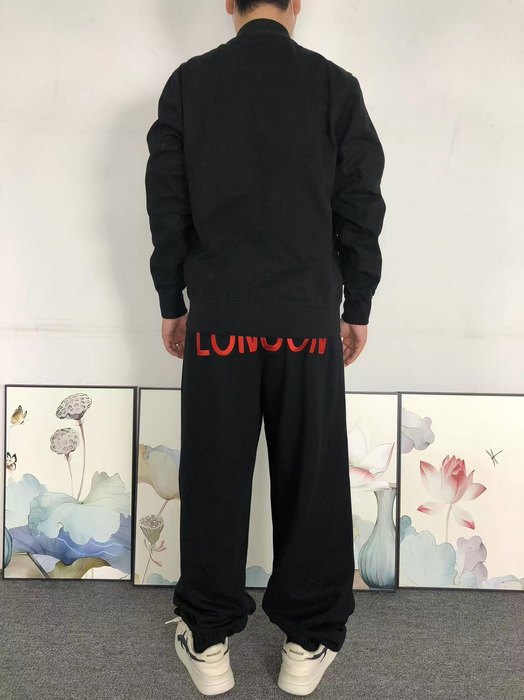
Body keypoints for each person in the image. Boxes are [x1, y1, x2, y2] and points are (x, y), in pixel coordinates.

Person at [145, 0, 386, 695]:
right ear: (296, 4)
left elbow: (167, 204)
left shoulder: (189, 83)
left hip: (221, 314)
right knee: (311, 472)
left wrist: (172, 300)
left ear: (230, 3)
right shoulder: (335, 86)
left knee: (215, 469)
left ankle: (208, 640)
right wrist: (357, 304)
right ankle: (308, 642)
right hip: (306, 316)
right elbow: (360, 203)